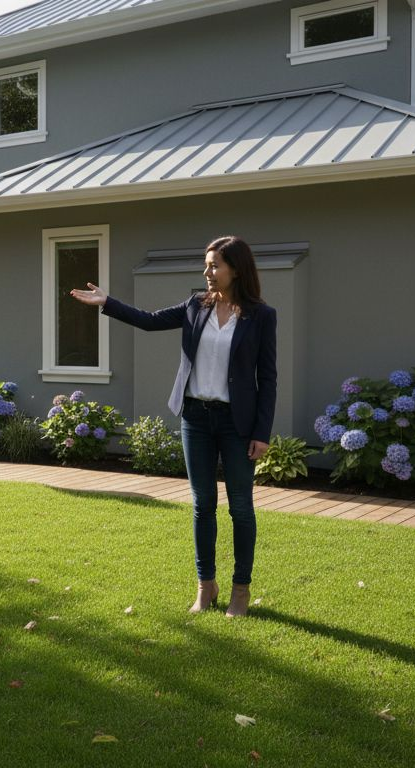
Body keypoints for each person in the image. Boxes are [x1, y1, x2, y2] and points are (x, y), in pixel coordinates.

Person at [69, 235, 276, 616]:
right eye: (206, 264)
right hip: (195, 417)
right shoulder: (196, 305)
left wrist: (262, 433)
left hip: (237, 424)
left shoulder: (262, 316)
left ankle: (241, 591)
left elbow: (268, 377)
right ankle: (205, 586)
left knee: (242, 508)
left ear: (236, 268)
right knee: (203, 506)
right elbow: (149, 321)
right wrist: (107, 303)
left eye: (215, 265)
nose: (208, 271)